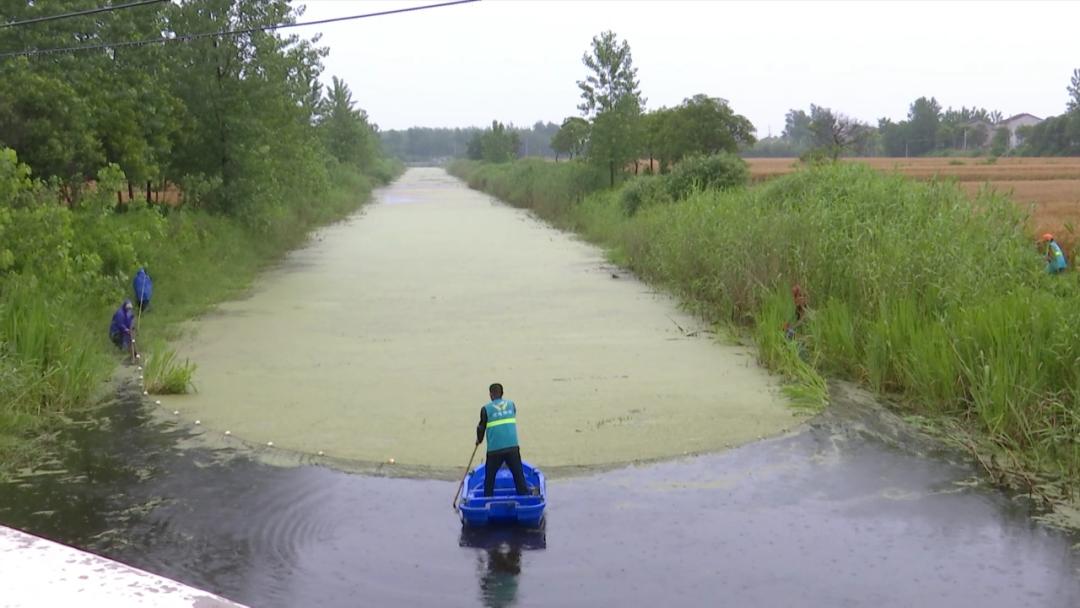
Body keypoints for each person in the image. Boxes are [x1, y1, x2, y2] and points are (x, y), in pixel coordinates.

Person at [476, 383, 529, 498]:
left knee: (489, 478)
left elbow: (481, 428)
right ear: (502, 394)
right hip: (512, 448)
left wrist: (478, 440)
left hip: (494, 451)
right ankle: (525, 497)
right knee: (518, 475)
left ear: (490, 395)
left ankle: (487, 499)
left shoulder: (485, 409)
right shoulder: (511, 405)